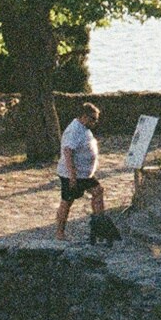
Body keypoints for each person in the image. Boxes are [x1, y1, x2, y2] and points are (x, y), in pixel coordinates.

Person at [53, 103, 106, 242]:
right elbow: (67, 151)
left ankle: (99, 229)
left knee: (98, 191)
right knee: (67, 202)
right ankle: (60, 233)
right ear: (83, 116)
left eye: (96, 119)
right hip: (72, 174)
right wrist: (72, 176)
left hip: (84, 174)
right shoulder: (74, 130)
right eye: (93, 119)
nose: (95, 122)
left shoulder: (84, 128)